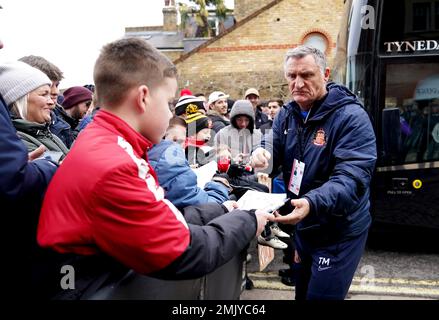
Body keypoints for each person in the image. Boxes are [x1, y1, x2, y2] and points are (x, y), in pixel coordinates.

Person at [37, 38, 273, 298]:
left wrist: (221, 209)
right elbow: (183, 252)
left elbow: (159, 220)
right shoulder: (115, 164)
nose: (169, 113)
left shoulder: (103, 141)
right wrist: (249, 220)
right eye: (169, 102)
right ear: (144, 97)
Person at [251, 46, 377, 300]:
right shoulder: (288, 113)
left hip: (338, 230)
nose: (297, 83)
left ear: (325, 74)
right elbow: (272, 146)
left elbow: (352, 178)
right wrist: (261, 153)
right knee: (303, 293)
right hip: (305, 223)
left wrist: (312, 202)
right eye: (291, 76)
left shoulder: (351, 117)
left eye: (306, 75)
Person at [148, 116, 230, 210]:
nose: (178, 146)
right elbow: (208, 205)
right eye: (174, 140)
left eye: (182, 141)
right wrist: (220, 182)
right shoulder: (169, 163)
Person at [0, 61, 69, 161]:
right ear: (20, 100)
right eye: (44, 94)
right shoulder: (16, 142)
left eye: (50, 95)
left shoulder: (49, 135)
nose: (51, 102)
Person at [19, 55, 76, 148]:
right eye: (47, 86)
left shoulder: (57, 122)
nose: (55, 92)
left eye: (56, 85)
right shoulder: (12, 136)